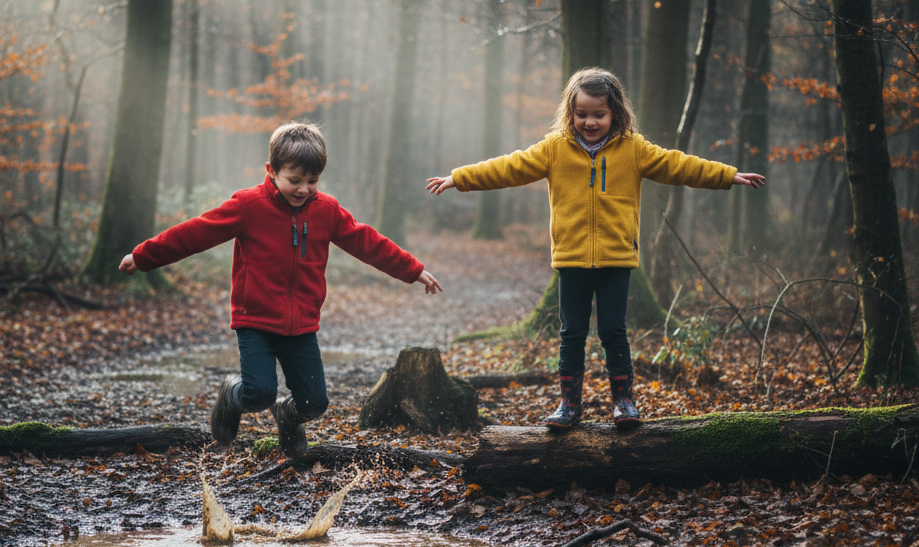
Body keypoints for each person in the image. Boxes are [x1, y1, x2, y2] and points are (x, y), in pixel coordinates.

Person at [426, 67, 763, 432]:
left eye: (598, 115)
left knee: (613, 331)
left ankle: (623, 401)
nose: (590, 122)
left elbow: (677, 165)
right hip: (571, 259)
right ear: (570, 112)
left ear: (615, 113)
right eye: (582, 114)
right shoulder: (554, 148)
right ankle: (569, 405)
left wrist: (727, 175)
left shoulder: (633, 149)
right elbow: (510, 166)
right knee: (571, 333)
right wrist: (459, 178)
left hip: (616, 259)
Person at [120, 121, 442, 456]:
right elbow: (196, 233)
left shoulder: (326, 210)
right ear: (271, 171)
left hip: (301, 325)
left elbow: (367, 241)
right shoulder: (248, 206)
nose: (304, 189)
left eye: (312, 181)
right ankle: (231, 393)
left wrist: (413, 270)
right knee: (257, 393)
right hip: (255, 320)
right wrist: (144, 256)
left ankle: (287, 416)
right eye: (295, 180)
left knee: (314, 403)